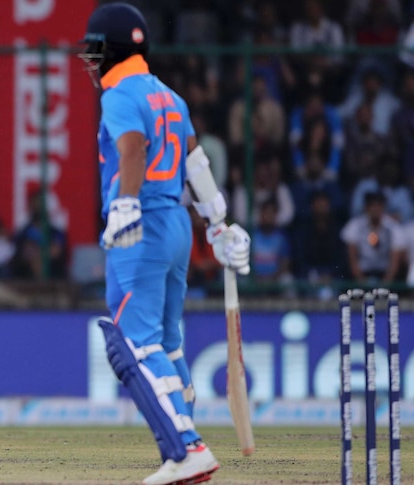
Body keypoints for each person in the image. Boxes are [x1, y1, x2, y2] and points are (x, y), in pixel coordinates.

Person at [78, 4, 251, 484]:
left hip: (144, 228)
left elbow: (132, 148)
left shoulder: (119, 94)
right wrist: (218, 222)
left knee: (133, 344)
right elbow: (194, 161)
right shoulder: (168, 95)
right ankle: (188, 441)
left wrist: (125, 205)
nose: (91, 62)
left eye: (96, 51)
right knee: (168, 344)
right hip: (177, 223)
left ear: (112, 50)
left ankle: (186, 449)